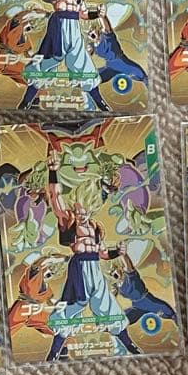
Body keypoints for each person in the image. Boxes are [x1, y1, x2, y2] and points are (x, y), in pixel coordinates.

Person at [45, 152, 138, 360]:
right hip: (79, 268)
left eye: (85, 210)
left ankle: (130, 345)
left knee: (107, 306)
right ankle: (53, 353)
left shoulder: (96, 228)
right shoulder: (70, 221)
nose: (81, 214)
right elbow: (56, 199)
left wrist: (117, 252)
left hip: (95, 267)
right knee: (71, 307)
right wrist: (53, 172)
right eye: (78, 209)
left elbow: (103, 253)